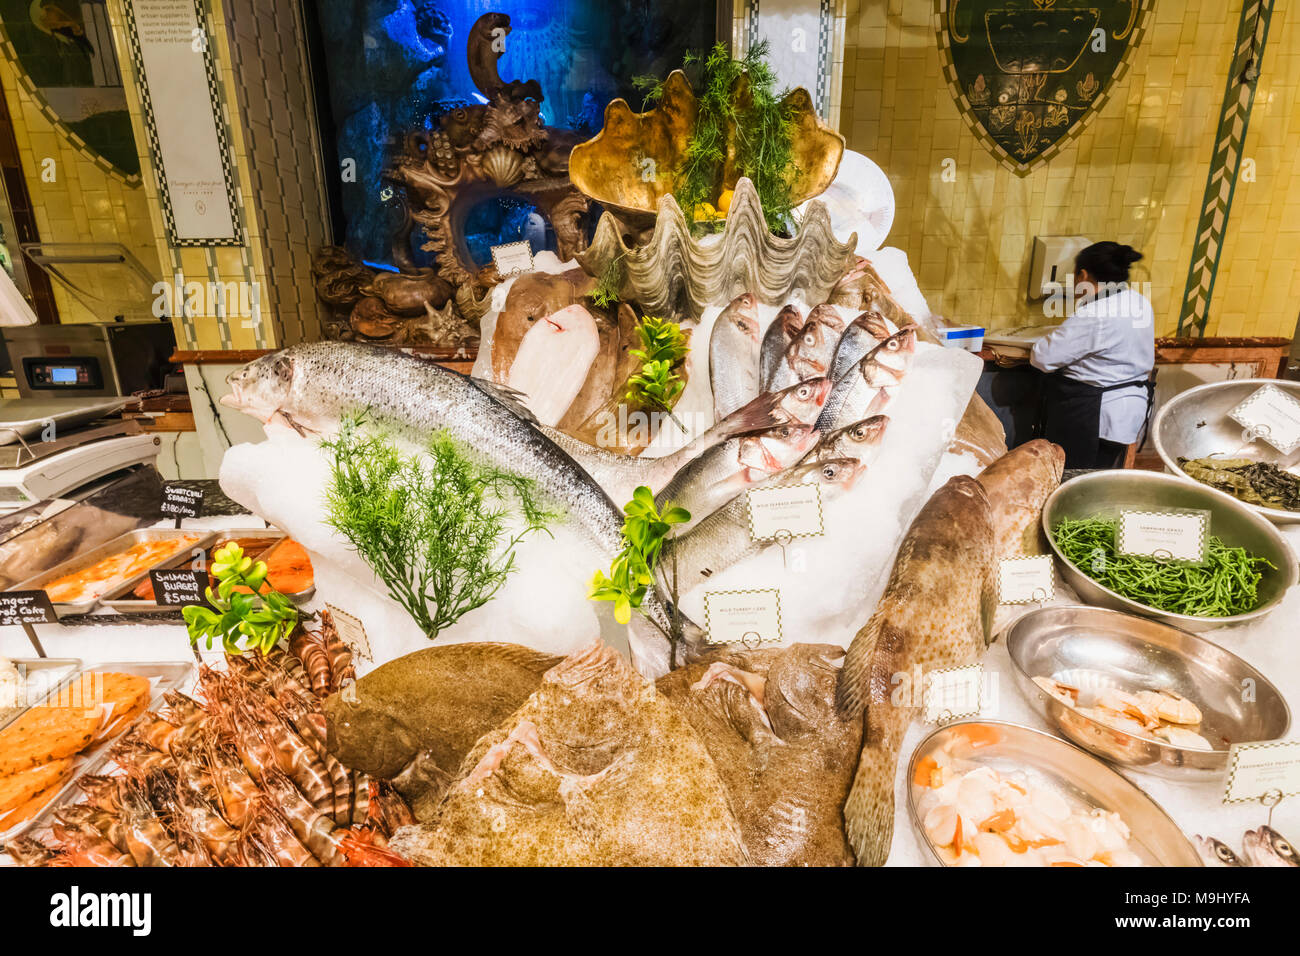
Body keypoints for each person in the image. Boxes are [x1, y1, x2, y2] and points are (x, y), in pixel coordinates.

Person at [1031, 241, 1155, 469]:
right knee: (1100, 477)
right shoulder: (1139, 302)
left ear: (1083, 276)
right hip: (1128, 410)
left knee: (1073, 478)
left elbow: (1043, 358)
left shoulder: (1095, 314)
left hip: (1093, 414)